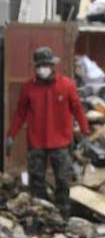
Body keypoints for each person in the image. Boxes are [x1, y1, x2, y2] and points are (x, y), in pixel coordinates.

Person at [6, 46, 90, 219]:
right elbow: (20, 113)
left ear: (52, 65)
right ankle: (40, 216)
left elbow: (78, 110)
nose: (43, 68)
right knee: (36, 182)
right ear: (36, 67)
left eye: (46, 64)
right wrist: (11, 135)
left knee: (62, 181)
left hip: (61, 143)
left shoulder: (67, 85)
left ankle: (63, 216)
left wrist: (85, 133)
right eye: (40, 65)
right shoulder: (29, 88)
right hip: (36, 143)